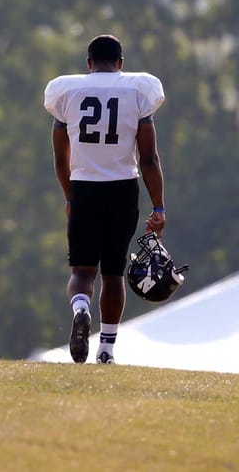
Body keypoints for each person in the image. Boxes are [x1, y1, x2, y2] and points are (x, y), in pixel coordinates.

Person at [43, 34, 167, 364]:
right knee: (113, 273)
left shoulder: (67, 92)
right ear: (121, 63)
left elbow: (59, 160)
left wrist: (70, 197)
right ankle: (106, 350)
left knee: (82, 272)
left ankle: (80, 308)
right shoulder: (138, 90)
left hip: (84, 187)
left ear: (88, 64)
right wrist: (158, 206)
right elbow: (149, 157)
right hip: (122, 188)